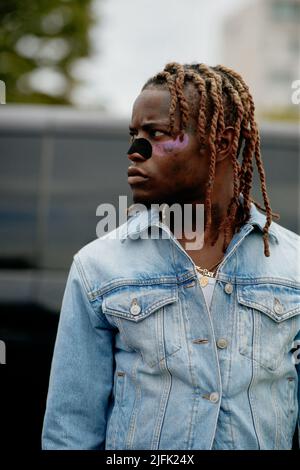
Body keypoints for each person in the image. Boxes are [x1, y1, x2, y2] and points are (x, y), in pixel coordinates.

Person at [41, 62, 300, 450]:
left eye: (156, 134)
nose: (134, 151)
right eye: (133, 135)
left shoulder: (292, 265)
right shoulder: (98, 268)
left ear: (223, 142)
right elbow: (69, 431)